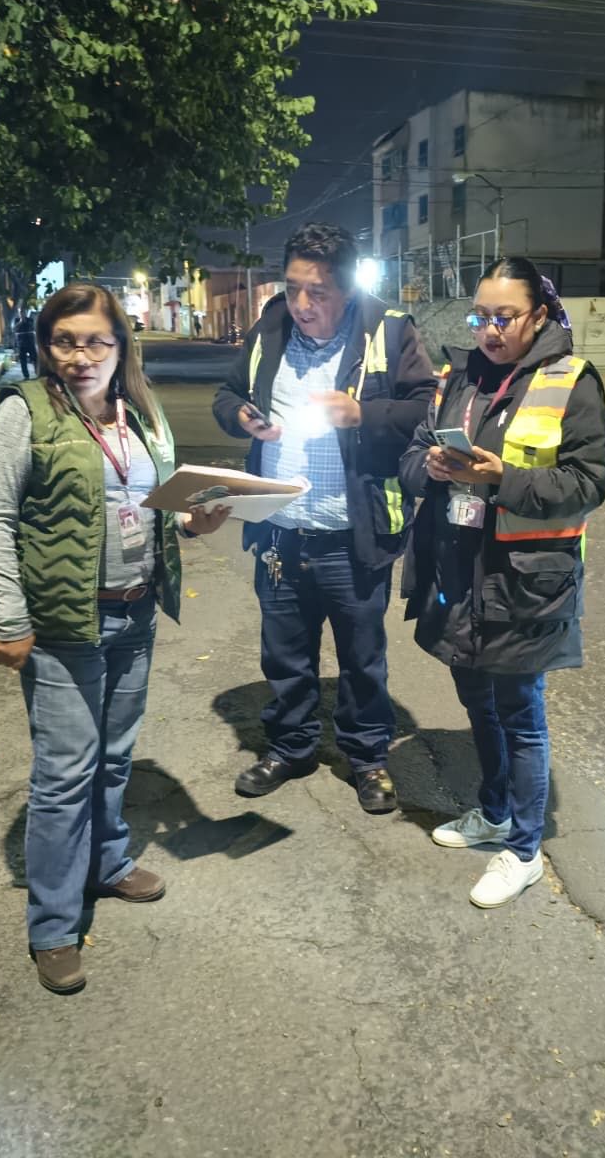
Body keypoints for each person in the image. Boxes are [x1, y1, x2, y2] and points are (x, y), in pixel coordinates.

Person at [0, 283, 229, 995]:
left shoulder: (139, 412)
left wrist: (194, 524)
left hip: (134, 614)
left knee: (114, 758)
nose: (80, 356)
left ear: (122, 348)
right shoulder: (27, 411)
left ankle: (107, 862)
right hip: (64, 624)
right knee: (64, 776)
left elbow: (157, 508)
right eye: (65, 341)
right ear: (45, 346)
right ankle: (53, 924)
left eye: (95, 341)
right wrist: (10, 619)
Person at [398, 258, 605, 908]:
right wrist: (432, 468)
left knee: (520, 714)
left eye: (505, 317)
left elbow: (587, 483)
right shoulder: (458, 377)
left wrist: (501, 479)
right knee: (477, 703)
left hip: (525, 581)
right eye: (480, 317)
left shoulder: (571, 381)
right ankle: (493, 811)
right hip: (458, 572)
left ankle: (523, 850)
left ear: (538, 316)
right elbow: (410, 456)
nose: (490, 330)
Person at [212, 223, 436, 813]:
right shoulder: (271, 326)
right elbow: (226, 394)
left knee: (362, 658)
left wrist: (363, 413)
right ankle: (291, 747)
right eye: (293, 288)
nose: (302, 304)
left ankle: (367, 757)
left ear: (347, 289)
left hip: (352, 534)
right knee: (284, 654)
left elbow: (427, 410)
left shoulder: (388, 330)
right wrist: (242, 418)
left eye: (318, 292)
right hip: (280, 531)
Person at [14, 308, 37, 380]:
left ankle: (37, 372)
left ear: (26, 313)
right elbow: (15, 328)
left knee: (35, 359)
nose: (22, 314)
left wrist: (25, 321)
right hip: (21, 344)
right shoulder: (17, 320)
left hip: (30, 342)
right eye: (21, 312)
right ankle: (26, 376)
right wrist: (21, 322)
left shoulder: (30, 320)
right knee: (23, 361)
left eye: (23, 312)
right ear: (19, 313)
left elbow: (32, 327)